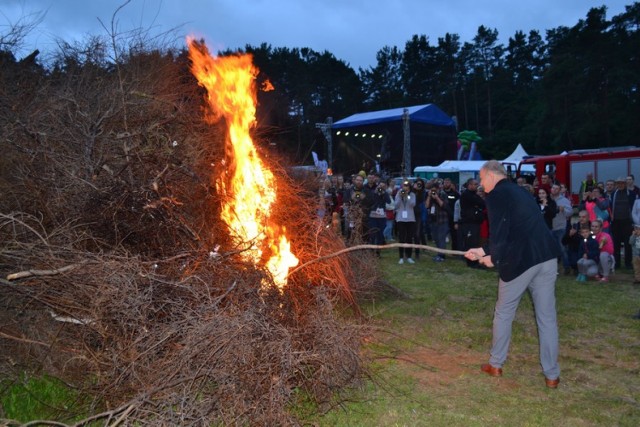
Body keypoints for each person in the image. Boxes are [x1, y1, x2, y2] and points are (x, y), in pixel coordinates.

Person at [464, 160, 561, 388]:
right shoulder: (520, 191)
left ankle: (496, 364)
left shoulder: (496, 195)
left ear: (490, 175)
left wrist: (493, 257)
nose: (480, 183)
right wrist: (484, 250)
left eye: (481, 177)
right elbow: (518, 226)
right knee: (547, 318)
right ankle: (552, 375)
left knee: (504, 312)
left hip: (522, 260)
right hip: (546, 256)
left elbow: (500, 230)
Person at [459, 178, 486, 268]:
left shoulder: (473, 194)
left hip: (475, 222)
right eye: (475, 184)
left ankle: (475, 261)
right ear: (469, 185)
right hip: (469, 223)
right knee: (471, 243)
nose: (476, 186)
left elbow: (482, 203)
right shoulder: (467, 195)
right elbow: (480, 202)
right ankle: (471, 263)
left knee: (475, 242)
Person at [611, 176, 636, 269]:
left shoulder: (631, 194)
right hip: (616, 222)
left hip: (627, 222)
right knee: (616, 244)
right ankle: (617, 263)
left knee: (628, 243)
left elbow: (634, 206)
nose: (620, 185)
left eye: (622, 183)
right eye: (618, 183)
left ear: (625, 184)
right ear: (616, 185)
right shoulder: (613, 194)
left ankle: (628, 263)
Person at [550, 184, 573, 274]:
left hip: (560, 227)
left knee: (562, 248)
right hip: (550, 227)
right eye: (553, 188)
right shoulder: (548, 199)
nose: (554, 190)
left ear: (560, 190)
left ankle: (566, 266)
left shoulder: (564, 200)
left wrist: (563, 210)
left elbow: (570, 212)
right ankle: (553, 268)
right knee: (552, 249)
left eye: (556, 188)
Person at [426, 180, 451, 262]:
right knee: (436, 238)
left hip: (442, 220)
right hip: (433, 220)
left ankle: (442, 256)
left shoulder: (443, 194)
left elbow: (444, 205)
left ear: (438, 189)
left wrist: (436, 197)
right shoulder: (429, 195)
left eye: (435, 190)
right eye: (432, 190)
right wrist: (429, 197)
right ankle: (439, 254)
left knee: (441, 238)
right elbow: (426, 206)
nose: (434, 192)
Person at [563, 210, 591, 275]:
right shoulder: (574, 227)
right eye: (580, 217)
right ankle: (575, 268)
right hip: (575, 250)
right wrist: (569, 235)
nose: (581, 219)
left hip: (588, 250)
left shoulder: (592, 226)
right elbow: (564, 241)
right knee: (574, 261)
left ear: (588, 217)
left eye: (583, 217)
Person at [394, 181, 416, 264]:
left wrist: (407, 196)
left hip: (410, 219)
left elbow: (412, 204)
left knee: (409, 238)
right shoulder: (398, 193)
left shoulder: (412, 195)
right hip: (400, 219)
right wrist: (400, 196)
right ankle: (401, 257)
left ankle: (409, 256)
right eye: (404, 186)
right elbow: (396, 205)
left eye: (407, 186)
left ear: (409, 187)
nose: (405, 188)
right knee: (401, 238)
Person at [442, 178, 460, 250]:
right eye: (445, 182)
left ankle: (454, 250)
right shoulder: (441, 192)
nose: (446, 184)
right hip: (442, 216)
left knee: (454, 234)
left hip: (452, 216)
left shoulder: (455, 193)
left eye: (448, 182)